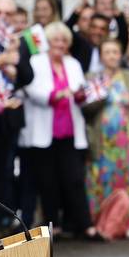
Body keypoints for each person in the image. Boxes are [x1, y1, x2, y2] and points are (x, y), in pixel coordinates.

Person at [23, 22, 93, 238]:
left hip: (69, 130)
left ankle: (85, 224)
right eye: (56, 40)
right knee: (47, 181)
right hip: (44, 130)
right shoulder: (36, 62)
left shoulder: (73, 64)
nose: (60, 44)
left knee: (74, 178)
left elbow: (81, 90)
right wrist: (55, 95)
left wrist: (81, 95)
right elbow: (30, 88)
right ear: (47, 42)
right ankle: (53, 226)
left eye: (64, 41)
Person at [81, 40, 129, 238]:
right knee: (101, 180)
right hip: (101, 141)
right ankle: (103, 224)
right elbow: (85, 109)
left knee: (127, 181)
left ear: (120, 55)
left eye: (115, 52)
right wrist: (102, 91)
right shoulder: (92, 77)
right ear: (101, 56)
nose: (111, 56)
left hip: (126, 141)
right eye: (107, 52)